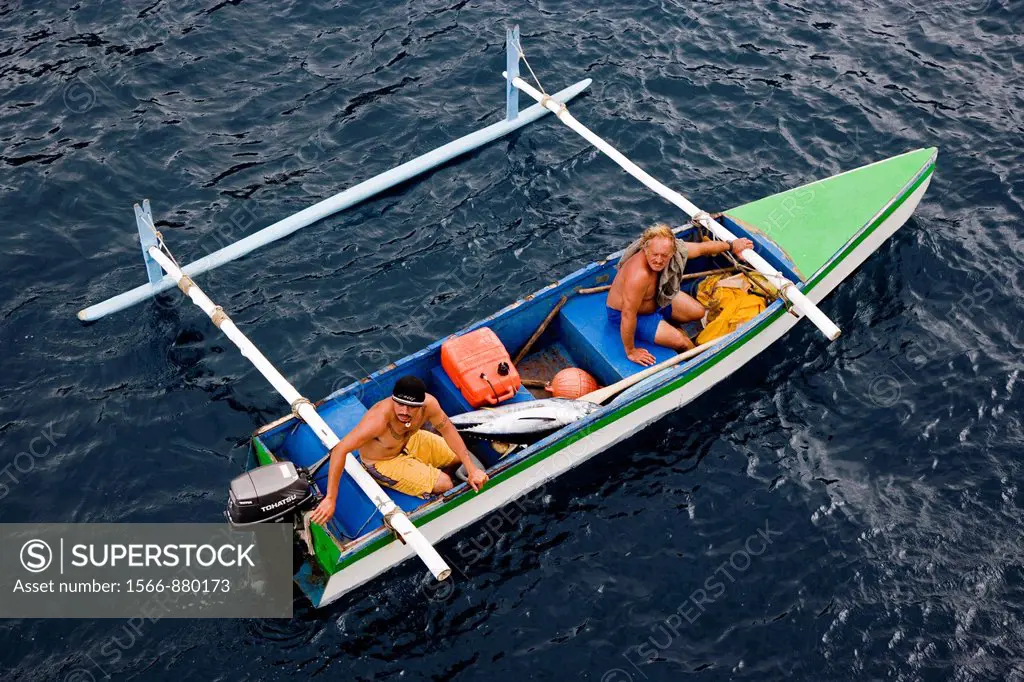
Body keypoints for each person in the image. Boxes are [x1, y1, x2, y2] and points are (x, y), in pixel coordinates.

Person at [309, 376, 488, 525]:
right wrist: (330, 498)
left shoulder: (430, 405)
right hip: (382, 462)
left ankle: (431, 471)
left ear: (421, 405)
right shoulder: (378, 420)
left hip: (410, 441)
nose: (403, 411)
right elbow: (340, 450)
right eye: (399, 404)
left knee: (461, 456)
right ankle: (431, 479)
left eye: (411, 407)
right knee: (445, 484)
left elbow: (448, 430)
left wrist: (471, 469)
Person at [606, 223, 754, 366]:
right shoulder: (639, 275)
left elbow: (702, 249)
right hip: (629, 315)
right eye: (654, 254)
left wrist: (732, 245)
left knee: (698, 312)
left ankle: (668, 325)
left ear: (672, 251)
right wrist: (631, 351)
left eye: (664, 255)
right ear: (645, 249)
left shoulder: (676, 250)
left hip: (657, 300)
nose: (658, 260)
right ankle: (698, 363)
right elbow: (628, 314)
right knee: (683, 341)